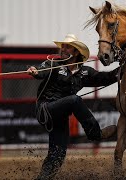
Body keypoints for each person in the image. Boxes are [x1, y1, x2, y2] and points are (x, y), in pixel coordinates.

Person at [27, 34, 119, 179]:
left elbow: (104, 78)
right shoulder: (53, 64)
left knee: (58, 155)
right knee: (74, 100)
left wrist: (123, 70)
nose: (63, 49)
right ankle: (95, 134)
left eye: (67, 46)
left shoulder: (85, 72)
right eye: (62, 46)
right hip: (46, 110)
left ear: (76, 52)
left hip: (60, 117)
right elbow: (41, 71)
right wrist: (35, 71)